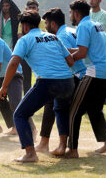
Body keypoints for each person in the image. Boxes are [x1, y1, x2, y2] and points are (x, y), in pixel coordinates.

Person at [0, 10, 75, 162]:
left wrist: (4, 86)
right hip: (68, 81)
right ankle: (61, 146)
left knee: (20, 115)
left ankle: (30, 154)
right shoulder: (53, 37)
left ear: (24, 26)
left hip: (48, 81)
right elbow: (70, 61)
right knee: (60, 110)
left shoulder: (25, 39)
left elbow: (13, 63)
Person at [66, 0, 106, 158]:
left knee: (74, 110)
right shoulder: (95, 24)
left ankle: (72, 150)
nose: (70, 16)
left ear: (76, 13)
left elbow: (81, 54)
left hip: (96, 73)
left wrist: (67, 59)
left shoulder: (82, 26)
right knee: (94, 109)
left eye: (71, 13)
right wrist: (65, 50)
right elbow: (85, 49)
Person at [35, 8, 86, 152]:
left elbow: (63, 62)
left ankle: (50, 144)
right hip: (84, 75)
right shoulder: (71, 31)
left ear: (53, 23)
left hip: (76, 76)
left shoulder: (61, 37)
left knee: (54, 104)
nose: (45, 27)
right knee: (57, 106)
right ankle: (50, 143)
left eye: (46, 23)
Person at [16, 0, 47, 94]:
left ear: (37, 9)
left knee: (41, 76)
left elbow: (40, 37)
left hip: (38, 52)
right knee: (26, 77)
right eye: (30, 8)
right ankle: (27, 96)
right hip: (26, 52)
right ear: (26, 9)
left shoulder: (41, 21)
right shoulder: (22, 21)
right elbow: (20, 35)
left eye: (34, 8)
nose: (32, 10)